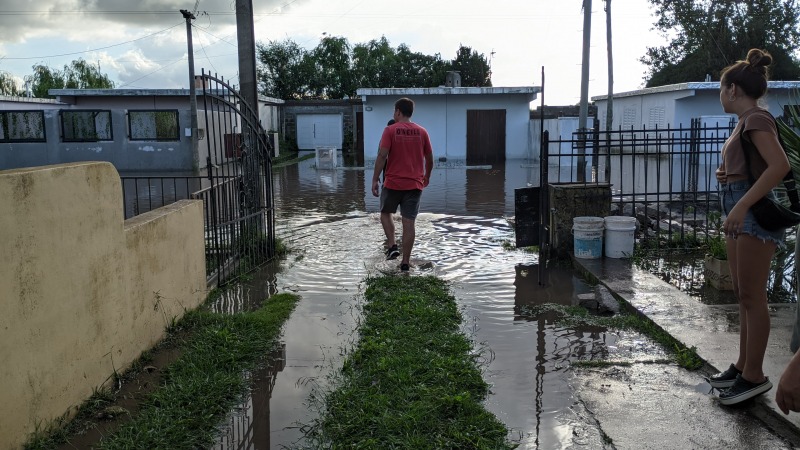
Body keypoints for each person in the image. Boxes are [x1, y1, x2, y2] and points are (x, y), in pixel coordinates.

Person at [708, 48, 791, 405]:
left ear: (732, 90)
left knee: (752, 297)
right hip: (740, 207)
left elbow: (780, 166)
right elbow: (755, 166)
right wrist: (728, 175)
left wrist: (741, 204)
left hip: (752, 213)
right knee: (743, 293)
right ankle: (743, 366)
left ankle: (755, 375)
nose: (721, 93)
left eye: (721, 87)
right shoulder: (746, 122)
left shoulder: (756, 119)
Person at [371, 98, 434, 271]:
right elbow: (429, 159)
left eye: (394, 111)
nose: (393, 114)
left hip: (392, 183)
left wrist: (375, 179)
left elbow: (382, 156)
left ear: (398, 111)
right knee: (409, 223)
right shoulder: (423, 132)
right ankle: (405, 262)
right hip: (414, 185)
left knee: (385, 213)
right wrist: (426, 176)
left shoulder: (390, 130)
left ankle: (392, 246)